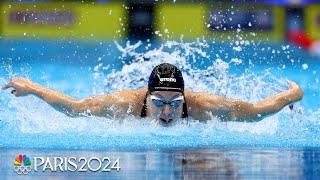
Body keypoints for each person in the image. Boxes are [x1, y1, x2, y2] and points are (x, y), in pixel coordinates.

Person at [1, 63, 303, 126]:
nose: (167, 111)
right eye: (159, 103)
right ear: (147, 97)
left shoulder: (203, 106)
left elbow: (255, 113)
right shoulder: (124, 104)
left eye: (175, 103)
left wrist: (292, 95)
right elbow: (74, 108)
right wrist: (33, 88)